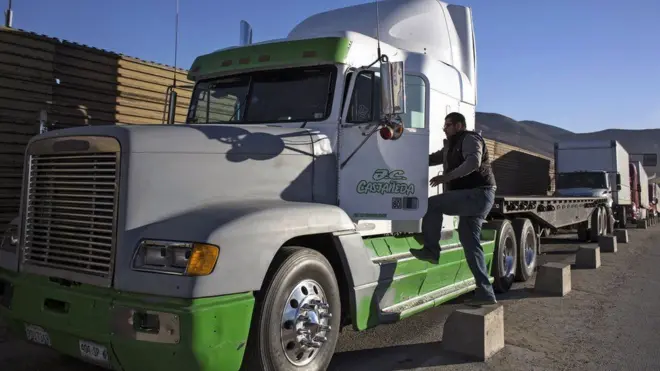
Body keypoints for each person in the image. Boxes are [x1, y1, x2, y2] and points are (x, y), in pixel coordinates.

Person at [410, 112, 498, 306]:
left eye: (448, 124)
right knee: (471, 244)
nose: (445, 128)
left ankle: (431, 250)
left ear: (459, 125)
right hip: (473, 197)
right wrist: (407, 158)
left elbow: (473, 162)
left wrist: (446, 178)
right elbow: (432, 158)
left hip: (478, 194)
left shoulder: (470, 139)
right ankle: (485, 292)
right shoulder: (451, 145)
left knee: (433, 204)